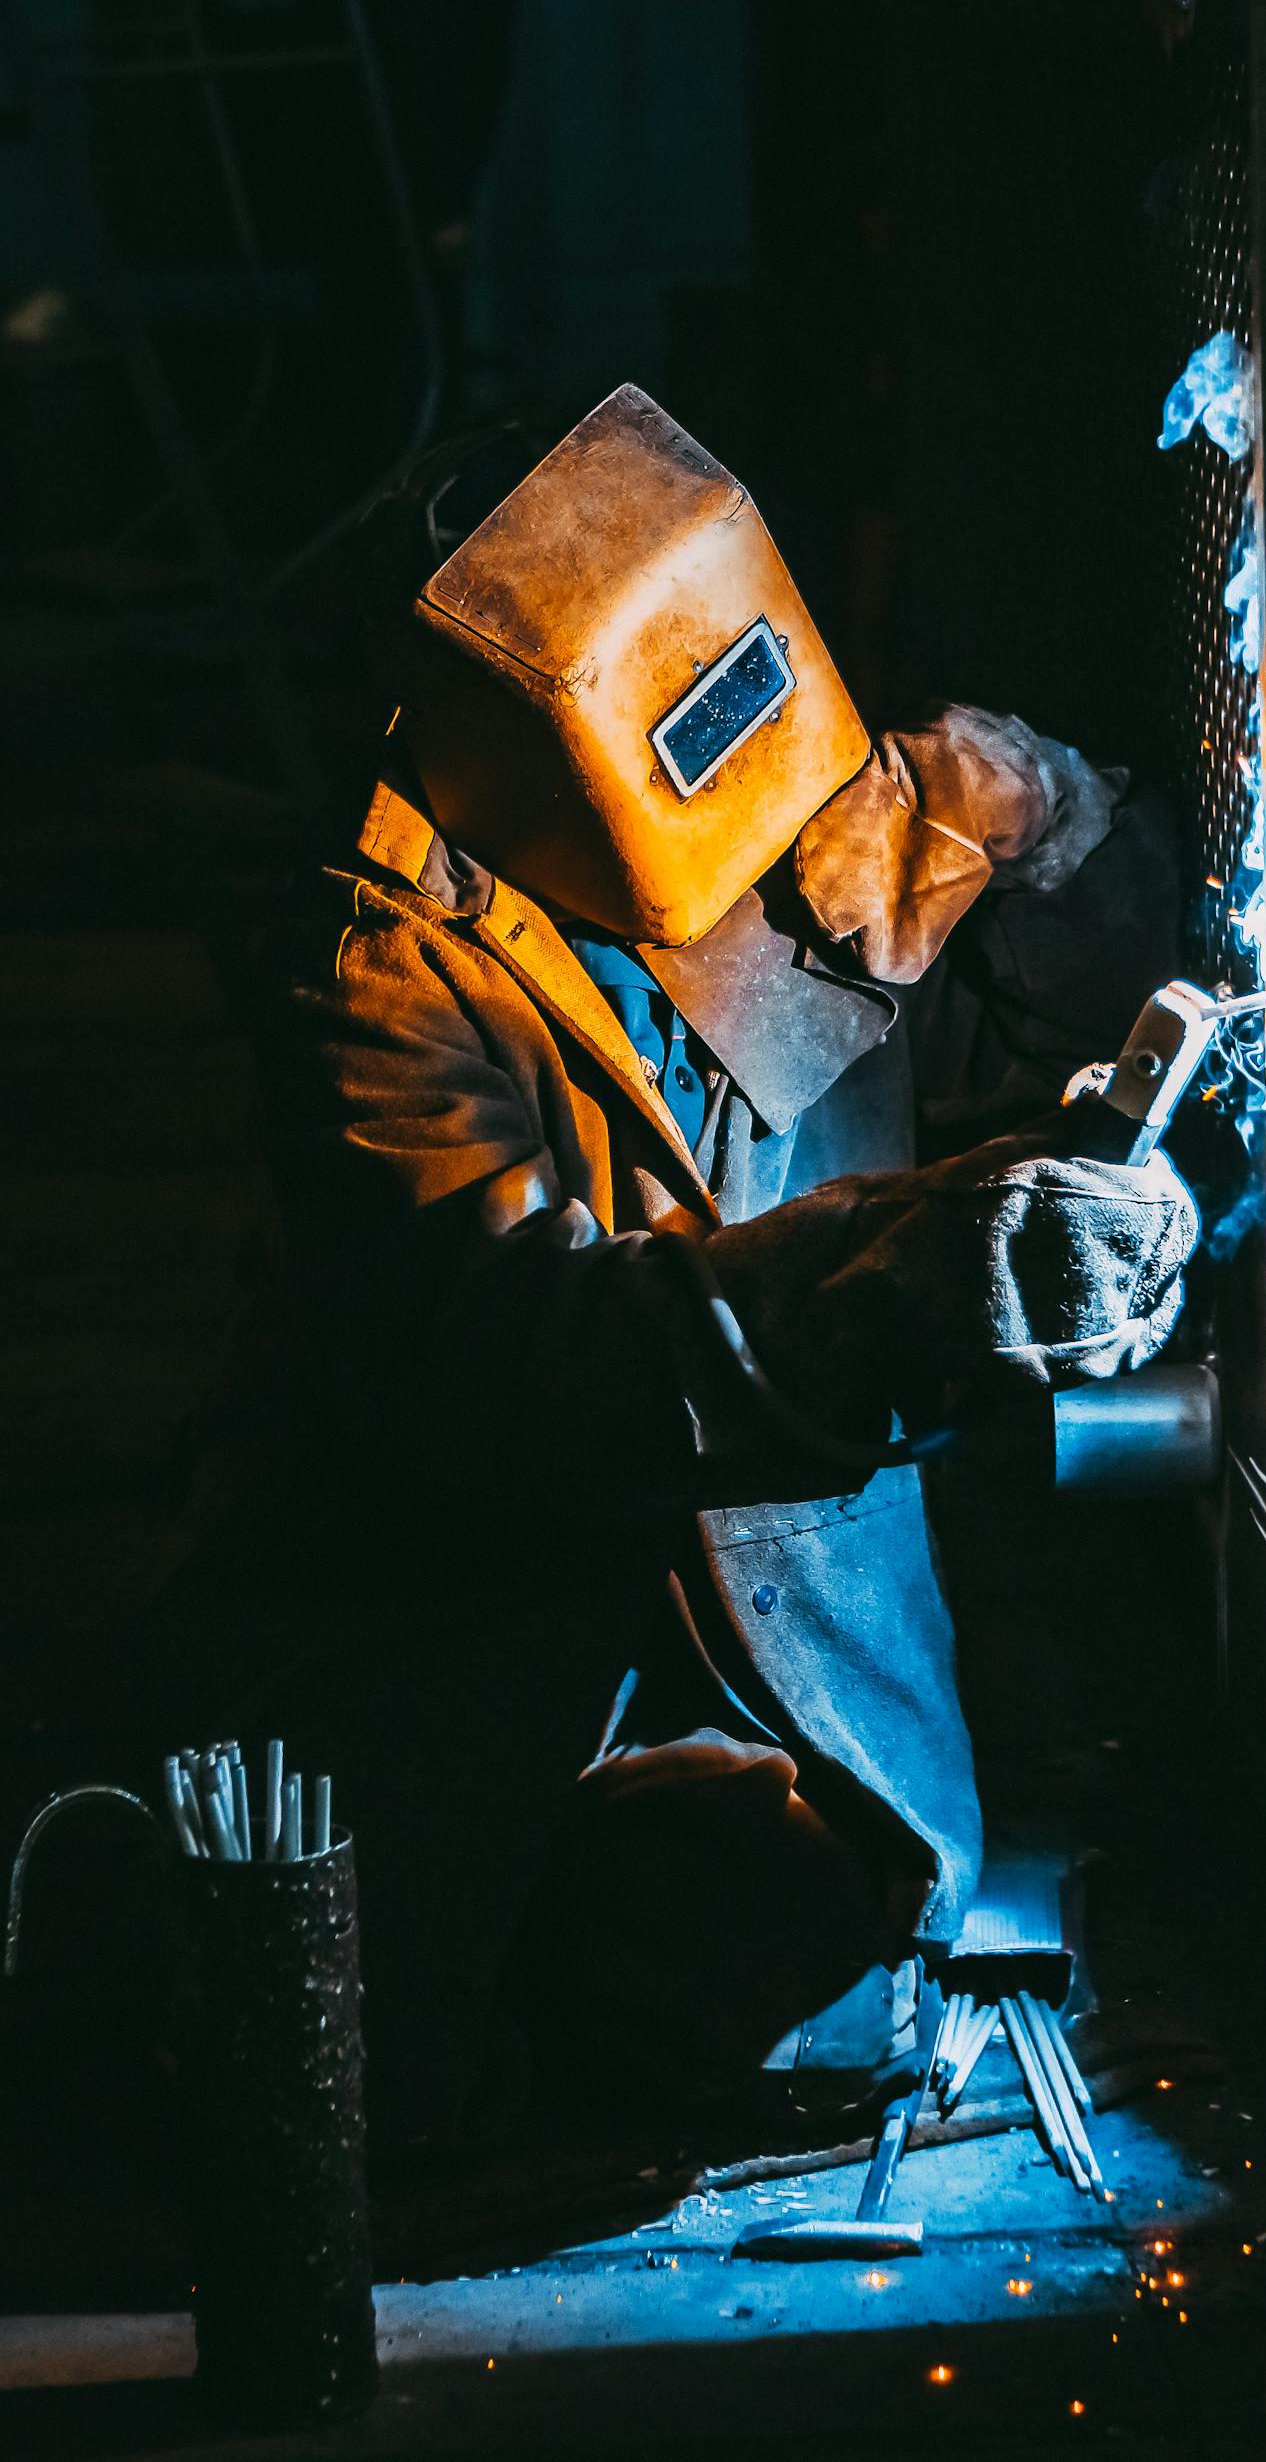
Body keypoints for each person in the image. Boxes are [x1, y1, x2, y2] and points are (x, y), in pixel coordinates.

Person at [158, 386, 1196, 2157]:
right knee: (608, 1997)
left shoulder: (796, 782)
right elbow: (531, 1358)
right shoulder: (379, 977)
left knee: (833, 1949)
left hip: (817, 1641)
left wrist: (1056, 846)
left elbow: (1067, 1031)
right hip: (538, 1663)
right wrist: (912, 1273)